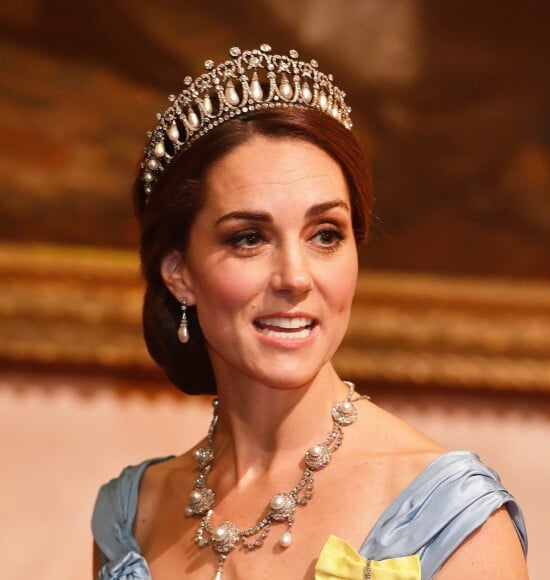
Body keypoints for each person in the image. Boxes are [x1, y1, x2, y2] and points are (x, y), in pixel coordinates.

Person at [92, 44, 528, 579]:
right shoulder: (131, 518)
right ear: (179, 272)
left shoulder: (456, 527)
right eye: (249, 238)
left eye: (325, 235)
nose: (295, 278)